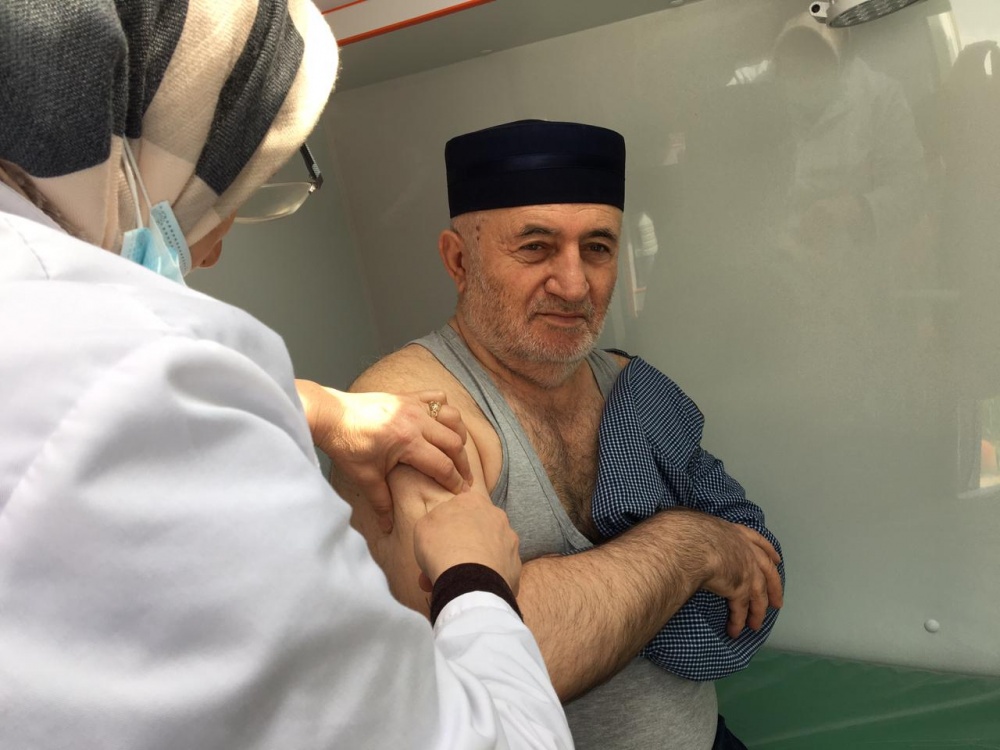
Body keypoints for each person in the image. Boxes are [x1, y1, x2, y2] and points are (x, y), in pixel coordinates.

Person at [0, 2, 573, 748]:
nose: (211, 249)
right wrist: (475, 578)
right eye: (224, 193)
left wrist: (322, 410)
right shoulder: (130, 376)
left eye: (599, 248)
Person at [337, 119, 785, 750]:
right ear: (459, 261)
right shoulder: (409, 410)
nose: (574, 285)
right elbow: (477, 663)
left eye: (596, 247)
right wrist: (691, 544)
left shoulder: (628, 383)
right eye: (536, 247)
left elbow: (749, 546)